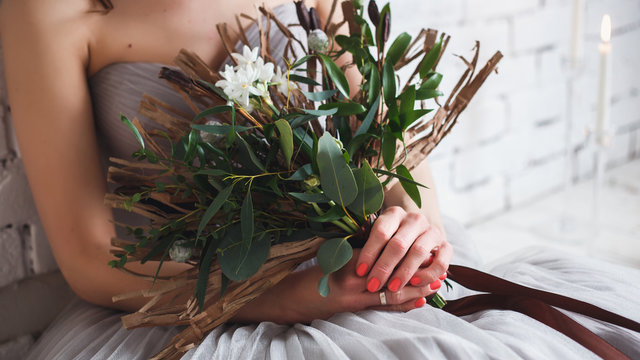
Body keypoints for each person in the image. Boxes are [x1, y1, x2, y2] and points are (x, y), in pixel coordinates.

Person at [2, 0, 639, 359]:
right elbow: (89, 256)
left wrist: (416, 227)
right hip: (194, 307)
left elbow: (387, 148)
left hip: (358, 269)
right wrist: (284, 293)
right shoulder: (47, 11)